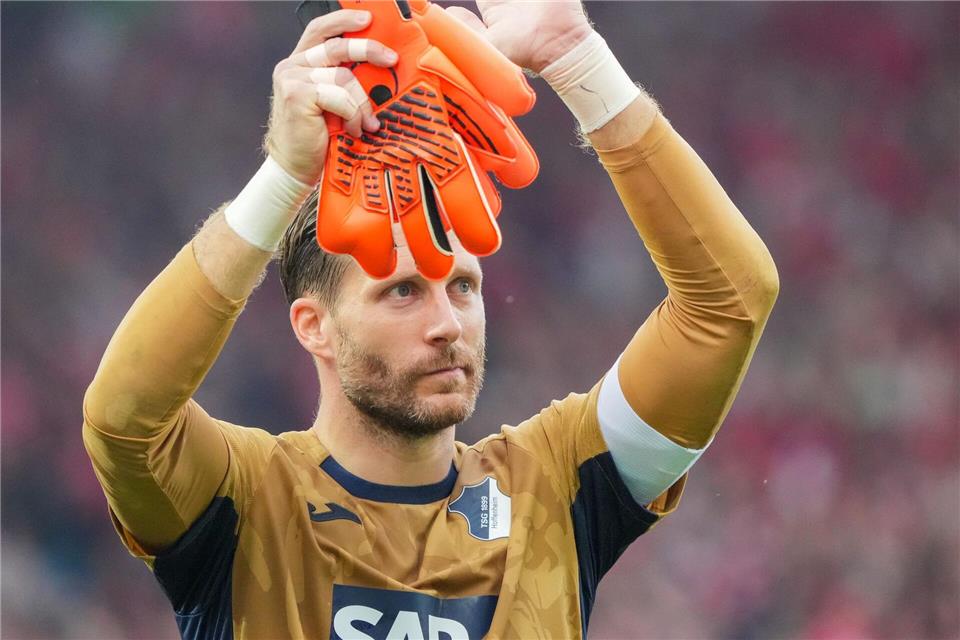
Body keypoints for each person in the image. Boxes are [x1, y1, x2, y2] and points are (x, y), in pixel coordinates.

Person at [82, 2, 779, 638]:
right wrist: (286, 174)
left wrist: (577, 57)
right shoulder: (246, 499)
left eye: (466, 287)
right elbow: (122, 418)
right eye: (404, 292)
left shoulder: (557, 485)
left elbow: (730, 302)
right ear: (313, 326)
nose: (449, 322)